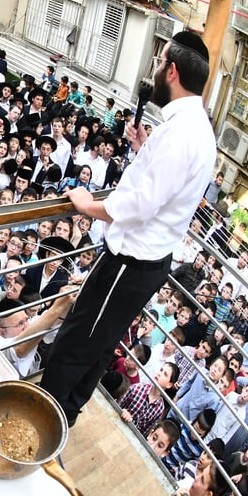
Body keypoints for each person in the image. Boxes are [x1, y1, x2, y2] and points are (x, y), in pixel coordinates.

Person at [40, 32, 216, 426]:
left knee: (76, 343)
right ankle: (63, 419)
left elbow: (140, 204)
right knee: (99, 345)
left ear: (171, 70)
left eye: (159, 61)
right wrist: (142, 149)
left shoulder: (180, 133)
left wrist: (88, 206)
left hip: (129, 263)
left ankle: (41, 424)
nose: (154, 69)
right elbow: (161, 185)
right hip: (146, 263)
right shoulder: (196, 129)